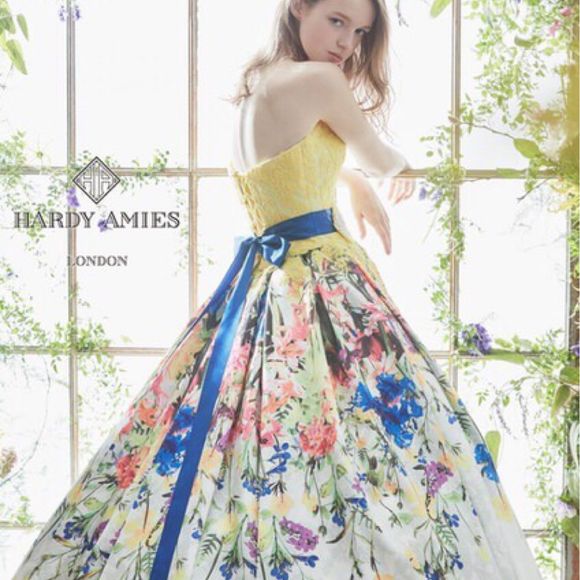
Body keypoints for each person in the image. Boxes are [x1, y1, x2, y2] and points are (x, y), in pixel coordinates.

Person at [13, 0, 544, 579]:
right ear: (298, 6)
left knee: (254, 441)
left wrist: (346, 180)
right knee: (372, 444)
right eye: (336, 20)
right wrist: (383, 172)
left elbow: (286, 165)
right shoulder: (321, 80)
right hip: (319, 285)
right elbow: (384, 158)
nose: (347, 44)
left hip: (264, 286)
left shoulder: (256, 87)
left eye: (360, 32)